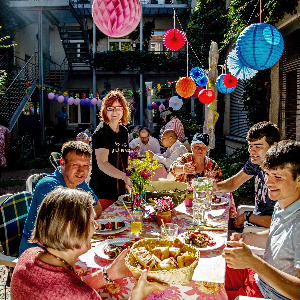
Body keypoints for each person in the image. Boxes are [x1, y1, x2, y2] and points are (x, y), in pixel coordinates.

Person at [11, 187, 169, 300]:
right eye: (92, 222)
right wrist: (137, 295)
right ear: (69, 228)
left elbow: (64, 288)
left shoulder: (28, 256)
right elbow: (73, 292)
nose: (95, 227)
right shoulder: (82, 295)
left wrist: (109, 273)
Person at [223, 140, 300, 300]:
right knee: (206, 267)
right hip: (256, 279)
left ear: (298, 179)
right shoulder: (284, 202)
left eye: (278, 176)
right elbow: (276, 238)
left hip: (267, 294)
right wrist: (245, 238)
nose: (269, 182)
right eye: (267, 174)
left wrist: (254, 262)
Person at [19, 141, 102, 256]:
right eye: (75, 165)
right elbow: (58, 233)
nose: (81, 171)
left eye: (85, 165)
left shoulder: (79, 182)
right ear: (62, 163)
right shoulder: (49, 187)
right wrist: (86, 220)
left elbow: (97, 208)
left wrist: (81, 221)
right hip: (40, 255)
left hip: (68, 246)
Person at [214, 121, 280, 229]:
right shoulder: (255, 162)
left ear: (273, 146)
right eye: (250, 146)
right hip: (253, 221)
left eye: (258, 146)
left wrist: (247, 216)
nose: (252, 151)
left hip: (267, 231)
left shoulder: (282, 174)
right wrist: (215, 187)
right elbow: (235, 182)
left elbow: (281, 221)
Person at [89, 90, 132, 212]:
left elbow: (123, 159)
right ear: (104, 111)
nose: (115, 112)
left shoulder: (124, 131)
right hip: (102, 193)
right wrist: (124, 177)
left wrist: (130, 175)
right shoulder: (101, 132)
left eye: (118, 108)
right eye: (110, 108)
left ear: (123, 110)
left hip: (120, 193)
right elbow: (103, 163)